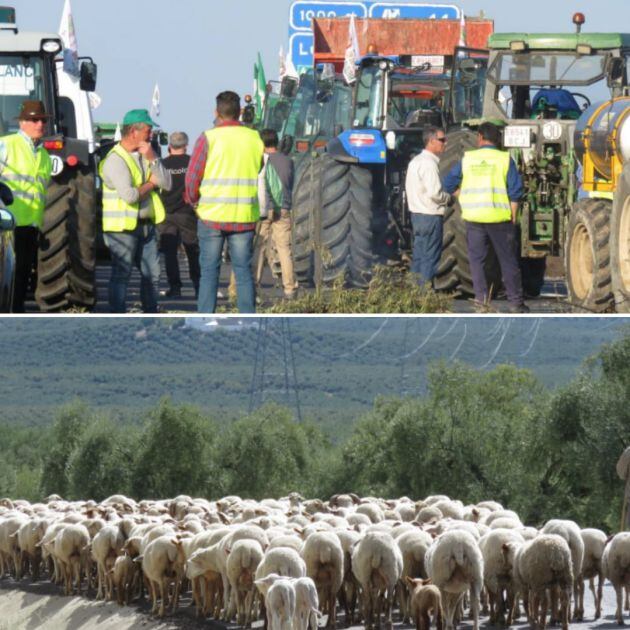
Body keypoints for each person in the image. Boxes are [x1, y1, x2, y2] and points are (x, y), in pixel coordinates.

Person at [185, 91, 264, 313]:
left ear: (216, 112)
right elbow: (258, 168)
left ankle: (205, 320)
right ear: (240, 112)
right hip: (243, 216)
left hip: (211, 216)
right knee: (242, 272)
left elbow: (192, 178)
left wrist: (193, 201)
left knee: (209, 271)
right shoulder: (254, 138)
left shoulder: (207, 138)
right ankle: (248, 320)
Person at [444, 121, 529, 313]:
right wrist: (513, 214)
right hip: (500, 218)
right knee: (507, 261)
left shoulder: (468, 159)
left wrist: (463, 195)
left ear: (480, 137)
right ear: (497, 139)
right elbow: (515, 191)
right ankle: (515, 302)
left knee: (477, 262)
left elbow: (448, 183)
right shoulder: (505, 159)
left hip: (474, 218)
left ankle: (482, 302)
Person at [100, 109, 172, 313]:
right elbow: (130, 196)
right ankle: (118, 319)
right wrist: (150, 184)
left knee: (153, 274)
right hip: (123, 228)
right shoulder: (116, 160)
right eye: (148, 130)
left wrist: (153, 159)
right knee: (121, 275)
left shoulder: (146, 156)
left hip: (146, 227)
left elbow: (166, 183)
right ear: (134, 131)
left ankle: (150, 315)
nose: (151, 135)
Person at [0, 100, 52, 312]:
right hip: (7, 226)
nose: (39, 124)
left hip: (30, 226)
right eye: (33, 120)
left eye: (42, 120)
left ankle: (16, 316)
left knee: (21, 277)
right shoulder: (6, 145)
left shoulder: (44, 156)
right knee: (8, 279)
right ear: (22, 122)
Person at [404, 125, 451, 287]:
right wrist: (449, 198)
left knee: (419, 256)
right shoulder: (430, 165)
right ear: (431, 141)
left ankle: (414, 293)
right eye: (442, 140)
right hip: (430, 217)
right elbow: (435, 194)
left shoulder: (415, 162)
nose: (445, 143)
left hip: (417, 216)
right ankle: (424, 295)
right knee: (430, 258)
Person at [255, 128, 298, 299]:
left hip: (264, 209)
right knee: (284, 249)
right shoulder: (288, 161)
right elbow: (290, 183)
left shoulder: (260, 161)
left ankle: (254, 285)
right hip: (284, 208)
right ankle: (289, 288)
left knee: (259, 248)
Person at [158, 131, 200, 298]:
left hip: (166, 213)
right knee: (192, 250)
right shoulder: (191, 163)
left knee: (169, 253)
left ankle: (175, 287)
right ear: (186, 145)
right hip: (187, 212)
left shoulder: (162, 164)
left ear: (169, 146)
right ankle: (198, 285)